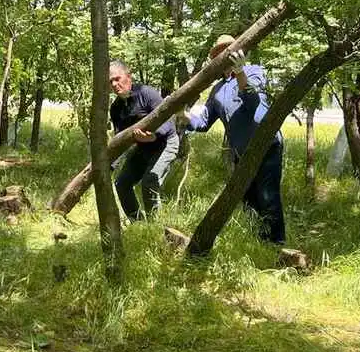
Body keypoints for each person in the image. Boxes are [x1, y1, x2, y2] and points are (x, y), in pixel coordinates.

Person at [184, 35, 286, 245]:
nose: (225, 55)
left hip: (266, 146)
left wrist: (240, 72)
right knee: (248, 200)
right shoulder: (217, 89)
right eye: (219, 53)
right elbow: (203, 123)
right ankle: (257, 244)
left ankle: (276, 246)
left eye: (228, 50)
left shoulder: (253, 72)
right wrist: (180, 113)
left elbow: (252, 102)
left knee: (268, 198)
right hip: (241, 154)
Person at [108, 60, 180, 220]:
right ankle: (138, 223)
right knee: (121, 184)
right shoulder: (115, 108)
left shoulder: (146, 93)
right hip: (142, 148)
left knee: (150, 180)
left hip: (165, 143)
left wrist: (153, 135)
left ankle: (154, 225)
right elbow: (120, 138)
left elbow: (167, 121)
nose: (114, 84)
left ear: (128, 76)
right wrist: (110, 165)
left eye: (117, 78)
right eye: (110, 81)